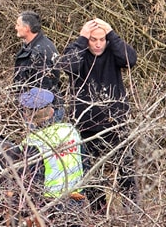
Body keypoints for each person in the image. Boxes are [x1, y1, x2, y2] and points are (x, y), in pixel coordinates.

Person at [58, 18, 138, 211]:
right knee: (91, 175)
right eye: (93, 39)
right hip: (86, 127)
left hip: (116, 123)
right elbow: (68, 66)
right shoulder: (79, 53)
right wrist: (81, 38)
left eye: (102, 39)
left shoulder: (113, 52)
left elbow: (130, 59)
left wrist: (112, 34)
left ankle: (132, 211)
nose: (98, 44)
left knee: (126, 171)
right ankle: (98, 212)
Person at [17, 87, 86, 226]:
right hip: (77, 200)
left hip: (49, 206)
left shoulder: (32, 143)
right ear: (52, 111)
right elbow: (86, 163)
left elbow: (31, 182)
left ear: (28, 117)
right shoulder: (70, 130)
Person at [14, 11, 60, 93]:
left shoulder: (40, 53)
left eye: (18, 25)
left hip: (38, 103)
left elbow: (43, 91)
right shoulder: (33, 45)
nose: (15, 28)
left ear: (26, 28)